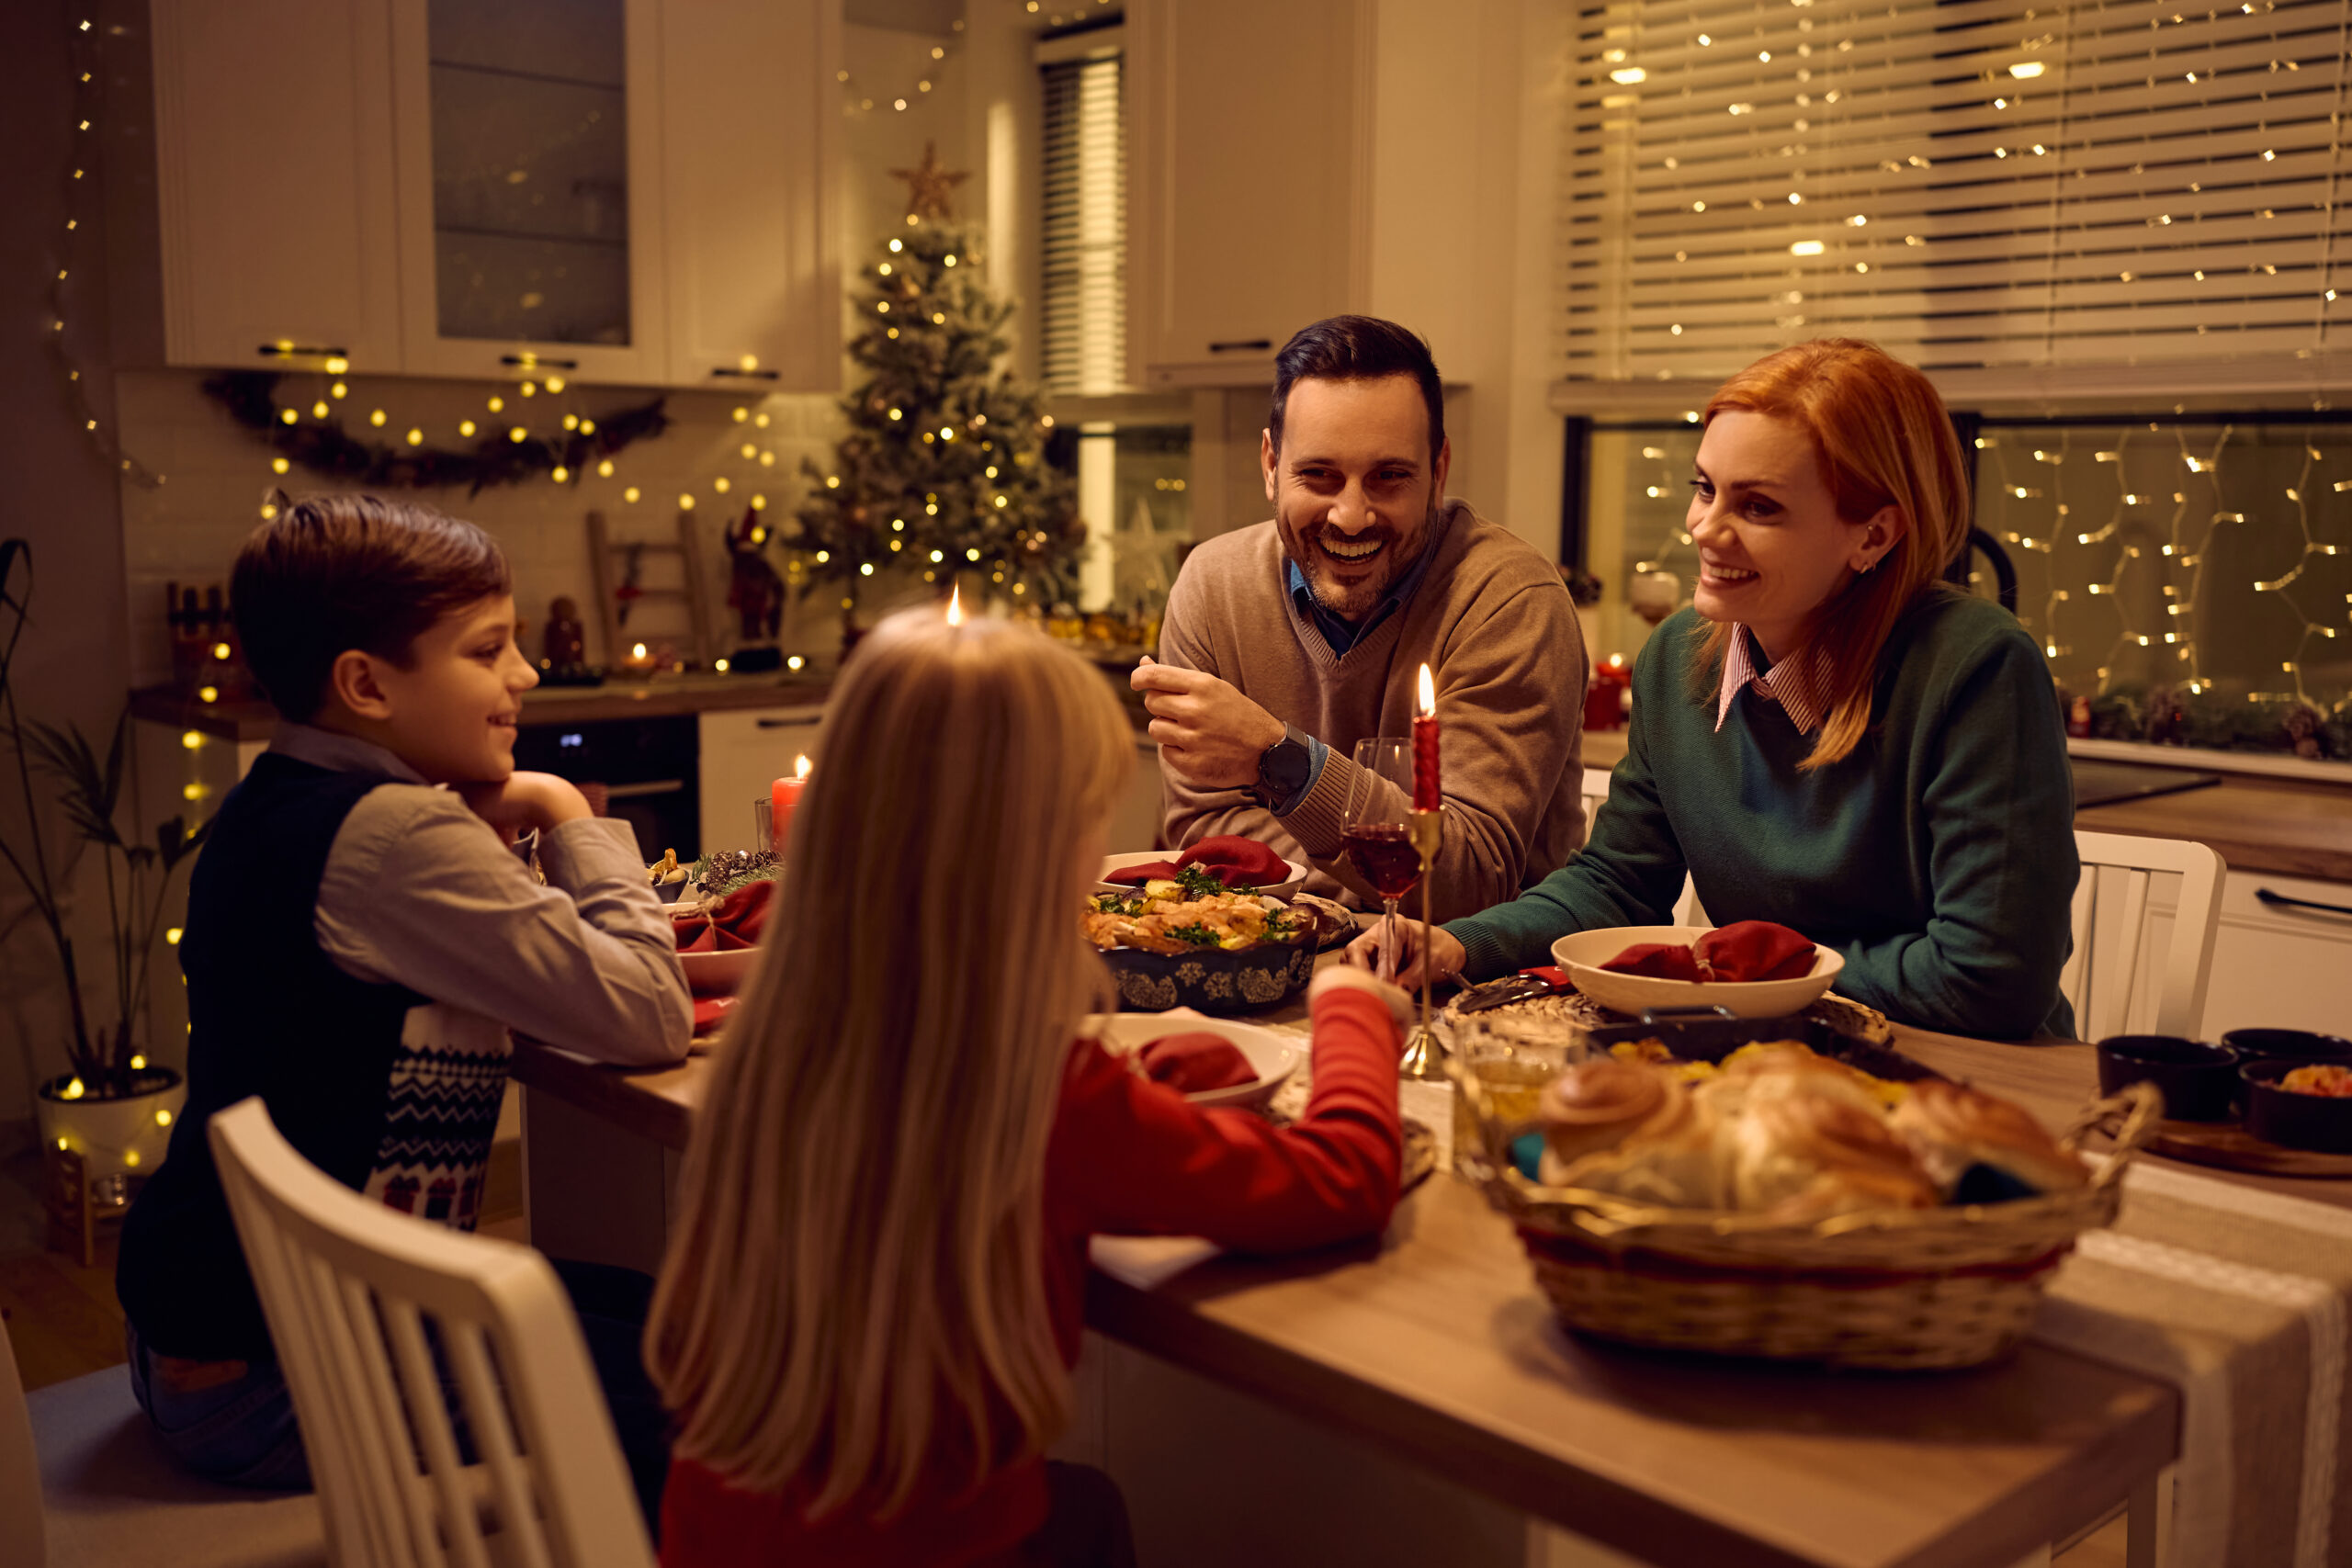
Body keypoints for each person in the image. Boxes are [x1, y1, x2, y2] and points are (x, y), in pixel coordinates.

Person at [645, 607, 1410, 1568]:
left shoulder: (778, 1044)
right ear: (1034, 854)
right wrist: (1350, 1008)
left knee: (1087, 1507)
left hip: (719, 1544)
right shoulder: (1036, 1091)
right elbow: (1342, 1179)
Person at [116, 494, 692, 1521]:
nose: (525, 676)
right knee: (709, 1399)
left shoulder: (275, 800)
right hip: (279, 1382)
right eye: (488, 649)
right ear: (365, 684)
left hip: (221, 1333)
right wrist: (565, 809)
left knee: (685, 1331)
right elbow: (648, 1013)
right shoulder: (391, 840)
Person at [1353, 339, 2079, 1040]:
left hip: (1972, 1070)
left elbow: (1991, 979)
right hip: (1762, 1048)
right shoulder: (1678, 658)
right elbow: (1616, 883)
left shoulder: (1978, 668)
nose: (1704, 528)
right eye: (1705, 488)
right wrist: (1459, 944)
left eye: (1758, 507)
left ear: (1874, 534)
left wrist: (1743, 974)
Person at [1135, 315, 1587, 925]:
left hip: (1475, 987)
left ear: (1438, 471)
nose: (1350, 516)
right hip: (1270, 964)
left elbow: (1470, 879)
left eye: (1389, 477)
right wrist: (1381, 879)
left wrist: (1278, 759)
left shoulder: (1510, 600)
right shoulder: (1213, 586)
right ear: (1271, 464)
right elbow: (1205, 840)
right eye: (1318, 475)